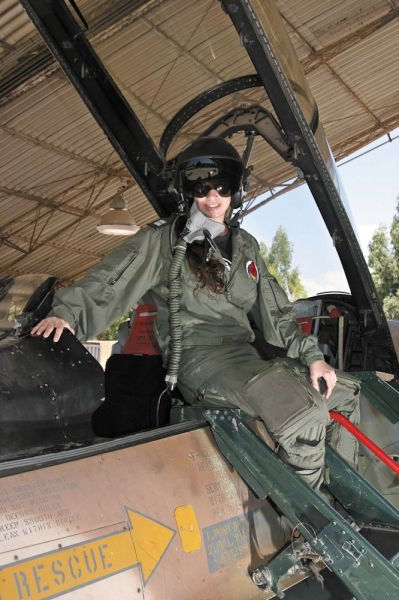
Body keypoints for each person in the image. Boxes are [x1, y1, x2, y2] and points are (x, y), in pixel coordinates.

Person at [31, 136, 360, 489]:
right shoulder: (165, 241)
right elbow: (112, 280)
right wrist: (67, 314)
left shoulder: (245, 245)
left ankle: (345, 495)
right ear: (187, 191)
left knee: (344, 393)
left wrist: (313, 357)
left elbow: (276, 314)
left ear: (238, 187)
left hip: (244, 356)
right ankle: (313, 524)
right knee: (305, 415)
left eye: (223, 184)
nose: (213, 196)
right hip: (200, 360)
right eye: (201, 187)